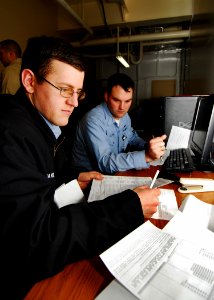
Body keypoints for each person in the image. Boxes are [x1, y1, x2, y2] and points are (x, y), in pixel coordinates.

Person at [0, 36, 160, 299]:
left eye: (78, 92)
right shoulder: (9, 135)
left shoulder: (38, 124)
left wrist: (74, 179)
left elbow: (36, 178)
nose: (74, 103)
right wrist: (127, 208)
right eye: (64, 89)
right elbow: (37, 242)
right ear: (30, 81)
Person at [71, 73, 167, 174]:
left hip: (114, 173)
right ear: (106, 96)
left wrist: (149, 147)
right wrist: (146, 156)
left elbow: (131, 137)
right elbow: (105, 163)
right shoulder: (93, 120)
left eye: (127, 101)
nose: (122, 107)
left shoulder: (124, 116)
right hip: (87, 181)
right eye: (116, 100)